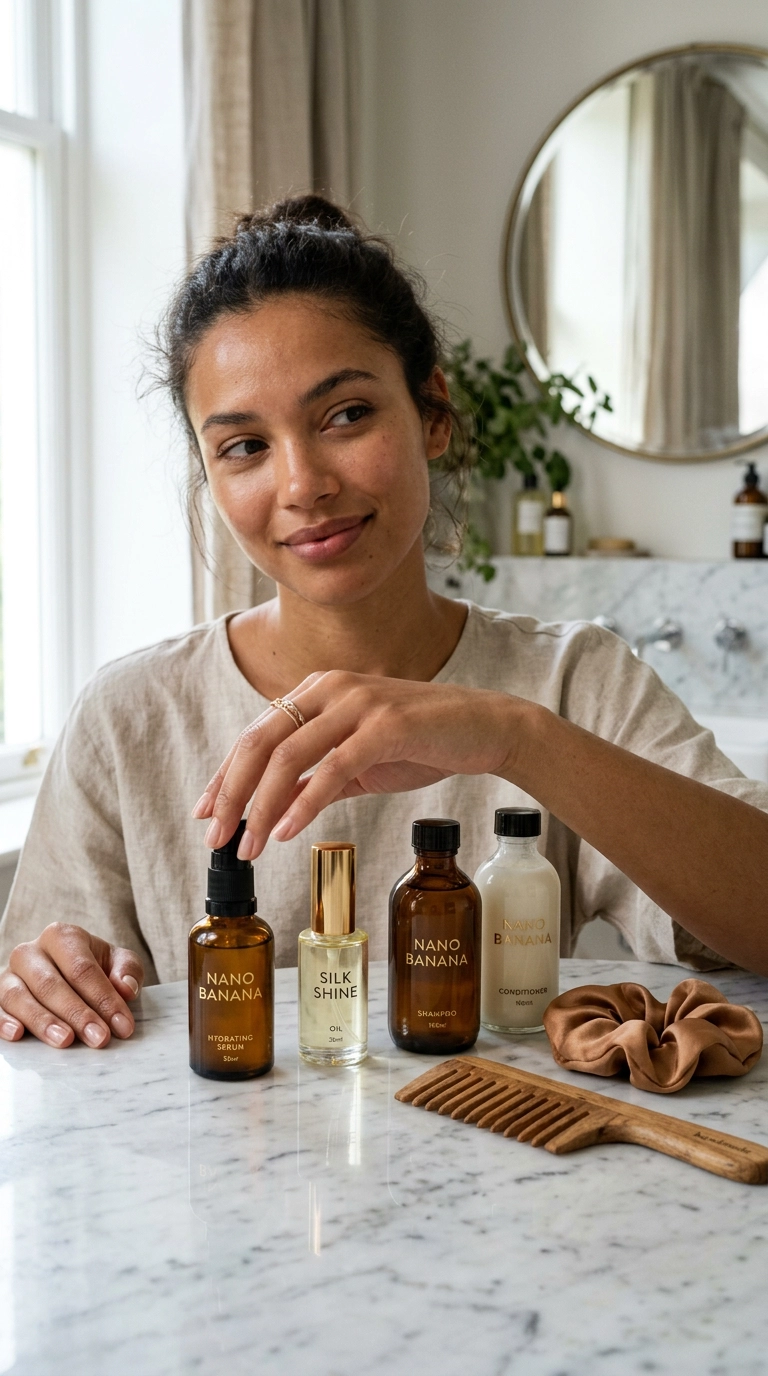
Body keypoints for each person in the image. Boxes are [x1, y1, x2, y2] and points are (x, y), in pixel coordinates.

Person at [0, 195, 766, 1053]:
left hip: (492, 1132)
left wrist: (519, 740)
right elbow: (46, 999)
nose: (303, 485)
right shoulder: (128, 716)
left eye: (346, 415)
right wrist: (47, 979)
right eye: (245, 446)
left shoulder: (573, 682)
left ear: (432, 412)